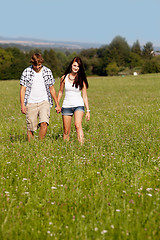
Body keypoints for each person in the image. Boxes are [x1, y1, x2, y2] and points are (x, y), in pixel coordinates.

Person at [20, 53, 61, 141]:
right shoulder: (26, 71)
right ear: (32, 63)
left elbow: (52, 88)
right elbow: (23, 89)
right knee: (31, 127)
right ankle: (31, 146)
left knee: (44, 123)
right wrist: (22, 105)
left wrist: (57, 104)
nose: (37, 67)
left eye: (39, 65)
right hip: (31, 102)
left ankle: (40, 143)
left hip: (44, 101)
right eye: (35, 65)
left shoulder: (47, 71)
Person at [57, 57, 90, 144]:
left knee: (78, 125)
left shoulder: (81, 79)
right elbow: (60, 92)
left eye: (78, 66)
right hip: (66, 106)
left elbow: (85, 96)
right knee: (66, 130)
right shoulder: (64, 78)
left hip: (78, 105)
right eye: (75, 65)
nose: (76, 68)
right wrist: (57, 104)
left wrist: (88, 111)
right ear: (71, 65)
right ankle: (66, 148)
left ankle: (81, 146)